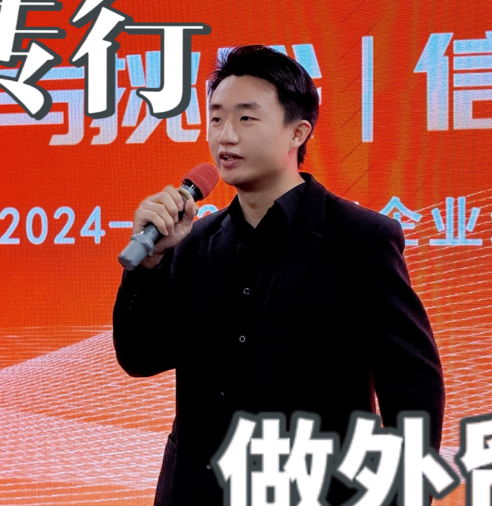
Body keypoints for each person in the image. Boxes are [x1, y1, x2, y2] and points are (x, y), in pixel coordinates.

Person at [113, 45, 445, 505]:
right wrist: (150, 263)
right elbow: (140, 357)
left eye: (246, 118)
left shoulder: (360, 239)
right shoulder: (192, 243)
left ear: (298, 132)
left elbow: (412, 386)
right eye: (216, 118)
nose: (226, 135)